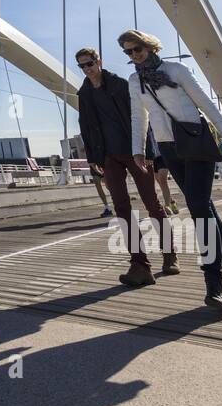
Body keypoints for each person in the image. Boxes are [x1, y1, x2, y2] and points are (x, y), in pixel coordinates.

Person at [122, 29, 222, 313]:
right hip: (168, 148)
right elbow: (138, 116)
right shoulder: (135, 81)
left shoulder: (176, 69)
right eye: (128, 52)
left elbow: (205, 103)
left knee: (198, 209)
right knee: (205, 208)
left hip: (195, 141)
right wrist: (138, 149)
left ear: (149, 46)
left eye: (137, 49)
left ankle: (214, 284)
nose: (133, 55)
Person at [76, 47, 178, 286]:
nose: (87, 69)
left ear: (98, 61)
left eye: (89, 63)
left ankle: (169, 254)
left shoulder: (120, 85)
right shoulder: (84, 94)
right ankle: (140, 265)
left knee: (152, 204)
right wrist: (93, 158)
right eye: (82, 66)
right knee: (121, 209)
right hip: (108, 157)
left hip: (135, 153)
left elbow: (142, 119)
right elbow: (86, 128)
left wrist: (149, 152)